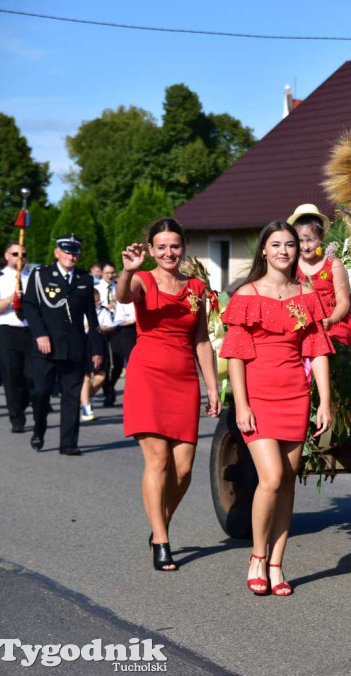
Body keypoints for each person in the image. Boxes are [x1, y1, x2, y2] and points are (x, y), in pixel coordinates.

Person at [220, 221, 333, 596]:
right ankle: (256, 555)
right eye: (276, 245)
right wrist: (241, 404)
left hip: (295, 396)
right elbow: (235, 356)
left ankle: (277, 562)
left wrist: (325, 402)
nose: (284, 251)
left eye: (290, 244)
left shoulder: (306, 295)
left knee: (287, 481)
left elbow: (316, 352)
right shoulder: (246, 295)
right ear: (264, 251)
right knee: (269, 478)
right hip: (258, 398)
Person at [117, 218, 221, 571]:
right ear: (150, 249)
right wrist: (127, 271)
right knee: (158, 461)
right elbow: (123, 295)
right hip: (147, 375)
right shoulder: (143, 279)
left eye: (174, 246)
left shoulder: (196, 288)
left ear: (183, 247)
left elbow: (202, 339)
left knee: (184, 469)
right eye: (160, 247)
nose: (168, 252)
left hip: (183, 378)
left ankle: (157, 519)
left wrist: (212, 386)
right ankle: (161, 539)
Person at [21, 235, 104, 456]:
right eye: (67, 252)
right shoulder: (41, 275)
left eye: (75, 252)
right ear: (57, 253)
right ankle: (39, 429)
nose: (71, 256)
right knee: (41, 392)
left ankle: (68, 443)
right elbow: (30, 306)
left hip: (74, 346)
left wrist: (96, 348)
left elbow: (91, 316)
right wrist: (40, 334)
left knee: (71, 395)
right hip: (45, 346)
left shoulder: (85, 279)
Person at [288, 203, 351, 346]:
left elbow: (343, 301)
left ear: (322, 236)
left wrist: (332, 320)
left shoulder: (333, 264)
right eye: (300, 241)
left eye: (310, 240)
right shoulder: (291, 266)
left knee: (334, 343)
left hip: (333, 323)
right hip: (303, 323)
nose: (305, 246)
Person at [0, 241, 32, 432]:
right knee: (12, 376)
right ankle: (17, 418)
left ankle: (21, 405)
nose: (19, 258)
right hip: (6, 330)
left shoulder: (33, 277)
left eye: (23, 255)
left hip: (30, 330)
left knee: (31, 377)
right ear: (7, 256)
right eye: (15, 254)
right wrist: (10, 298)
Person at [79, 289, 114, 422]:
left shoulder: (103, 311)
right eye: (93, 301)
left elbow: (110, 325)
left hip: (99, 342)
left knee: (101, 377)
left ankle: (85, 397)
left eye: (97, 300)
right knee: (86, 376)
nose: (96, 303)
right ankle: (86, 407)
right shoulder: (79, 311)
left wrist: (102, 327)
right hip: (84, 342)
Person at [95, 262, 119, 406]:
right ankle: (107, 393)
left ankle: (110, 385)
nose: (110, 276)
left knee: (117, 361)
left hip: (117, 325)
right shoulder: (96, 288)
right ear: (101, 273)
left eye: (112, 273)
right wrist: (106, 306)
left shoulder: (117, 287)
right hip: (102, 327)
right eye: (107, 273)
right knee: (106, 363)